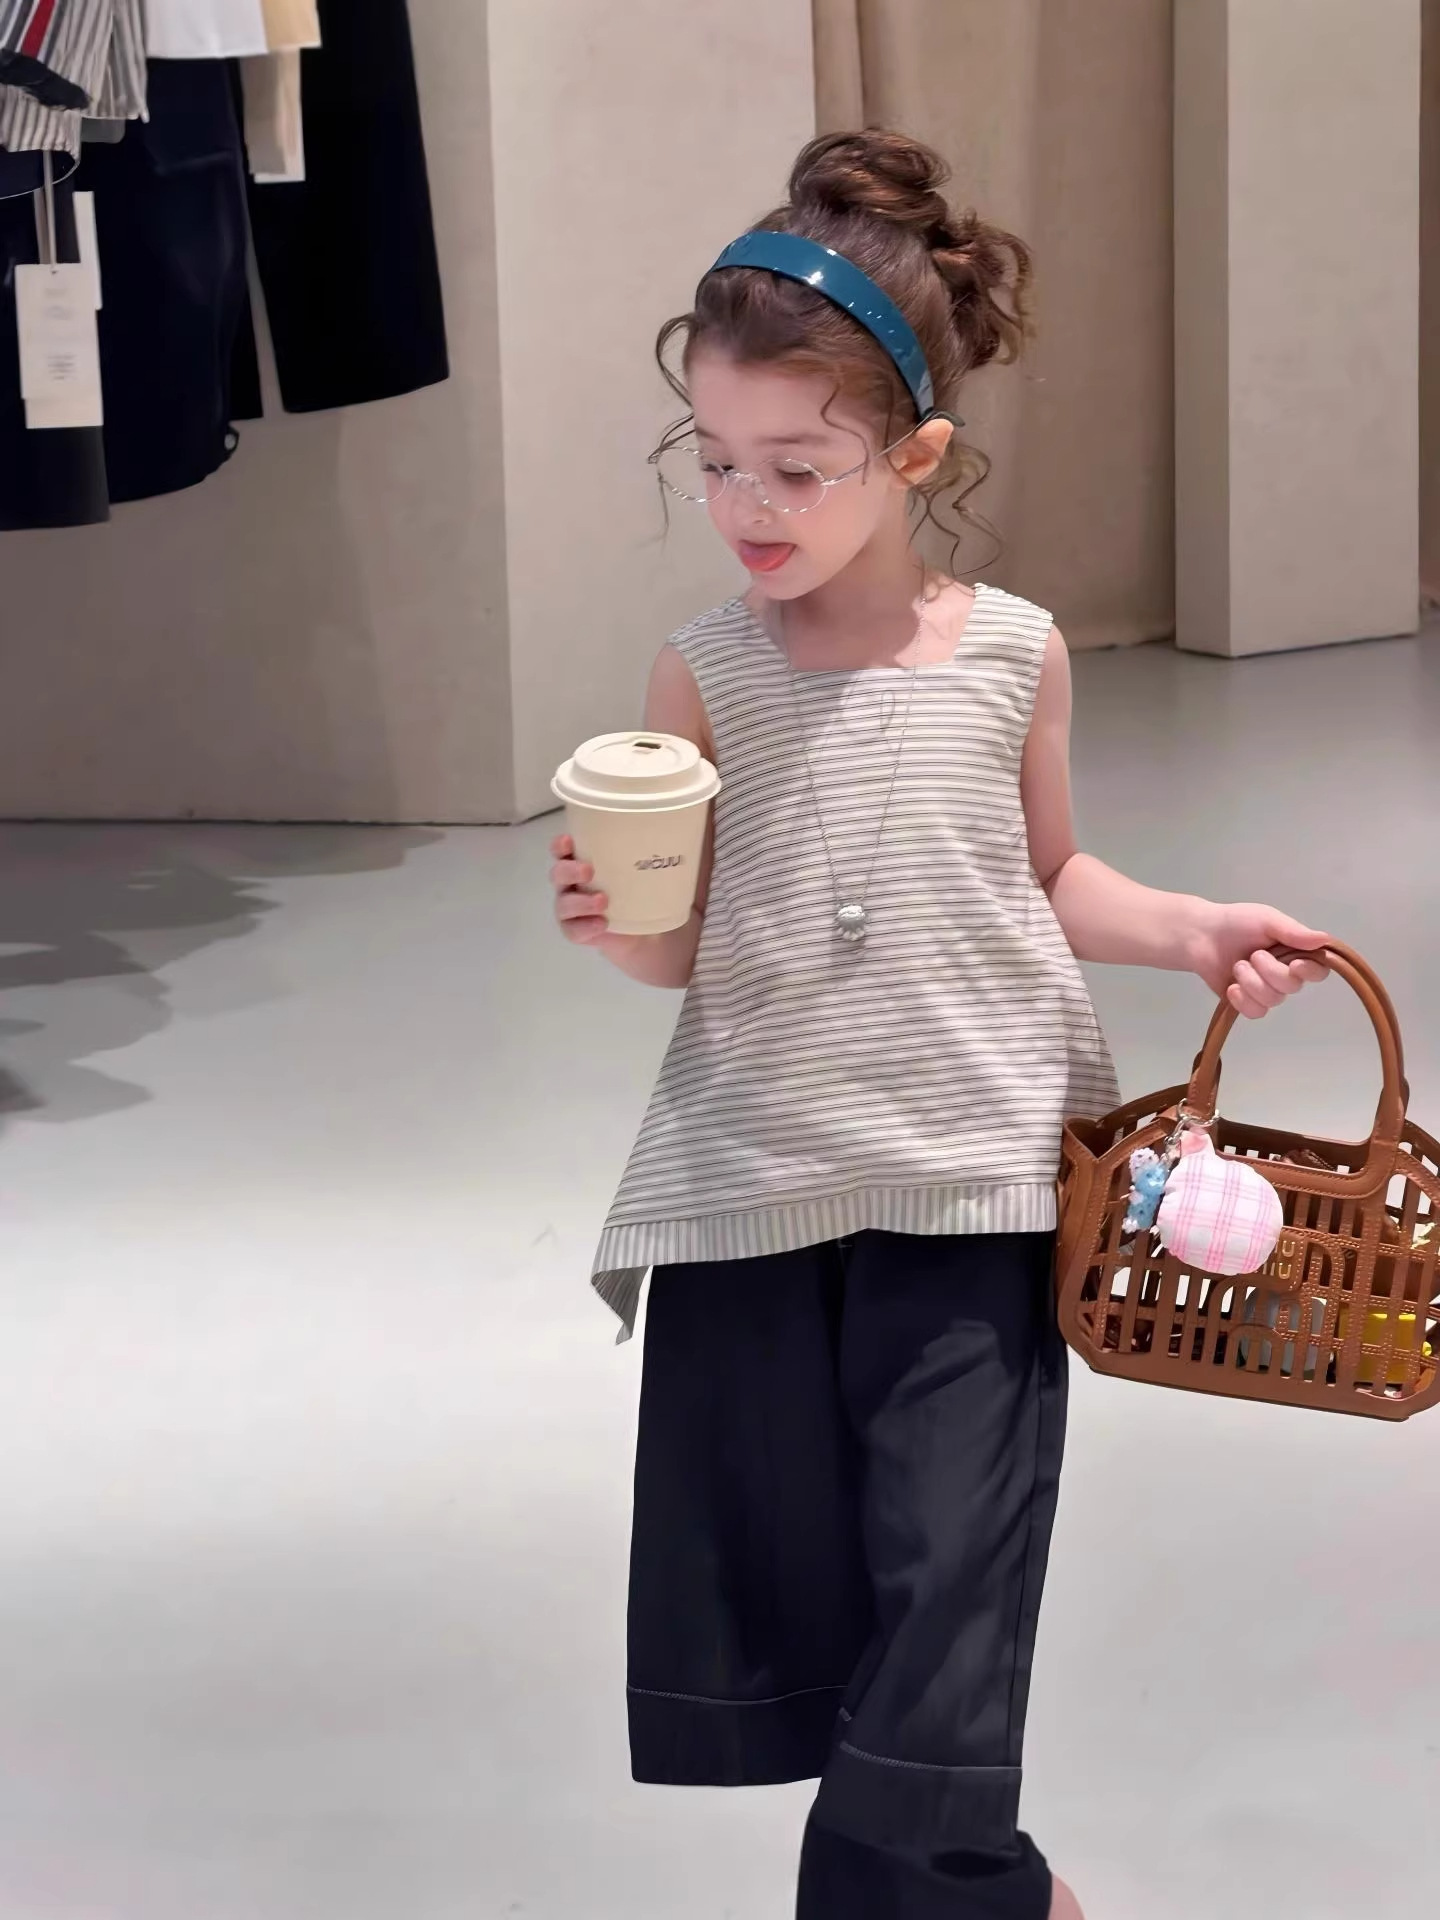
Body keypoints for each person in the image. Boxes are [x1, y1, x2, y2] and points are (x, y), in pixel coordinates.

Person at [548, 129, 1328, 1920]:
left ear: (914, 455)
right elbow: (689, 954)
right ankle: (1010, 1896)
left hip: (975, 1186)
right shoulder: (701, 672)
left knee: (951, 1603)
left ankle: (980, 1893)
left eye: (796, 468)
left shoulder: (1012, 652)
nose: (747, 505)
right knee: (818, 1617)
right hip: (757, 1190)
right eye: (714, 460)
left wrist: (1193, 930)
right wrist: (621, 930)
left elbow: (1043, 876)